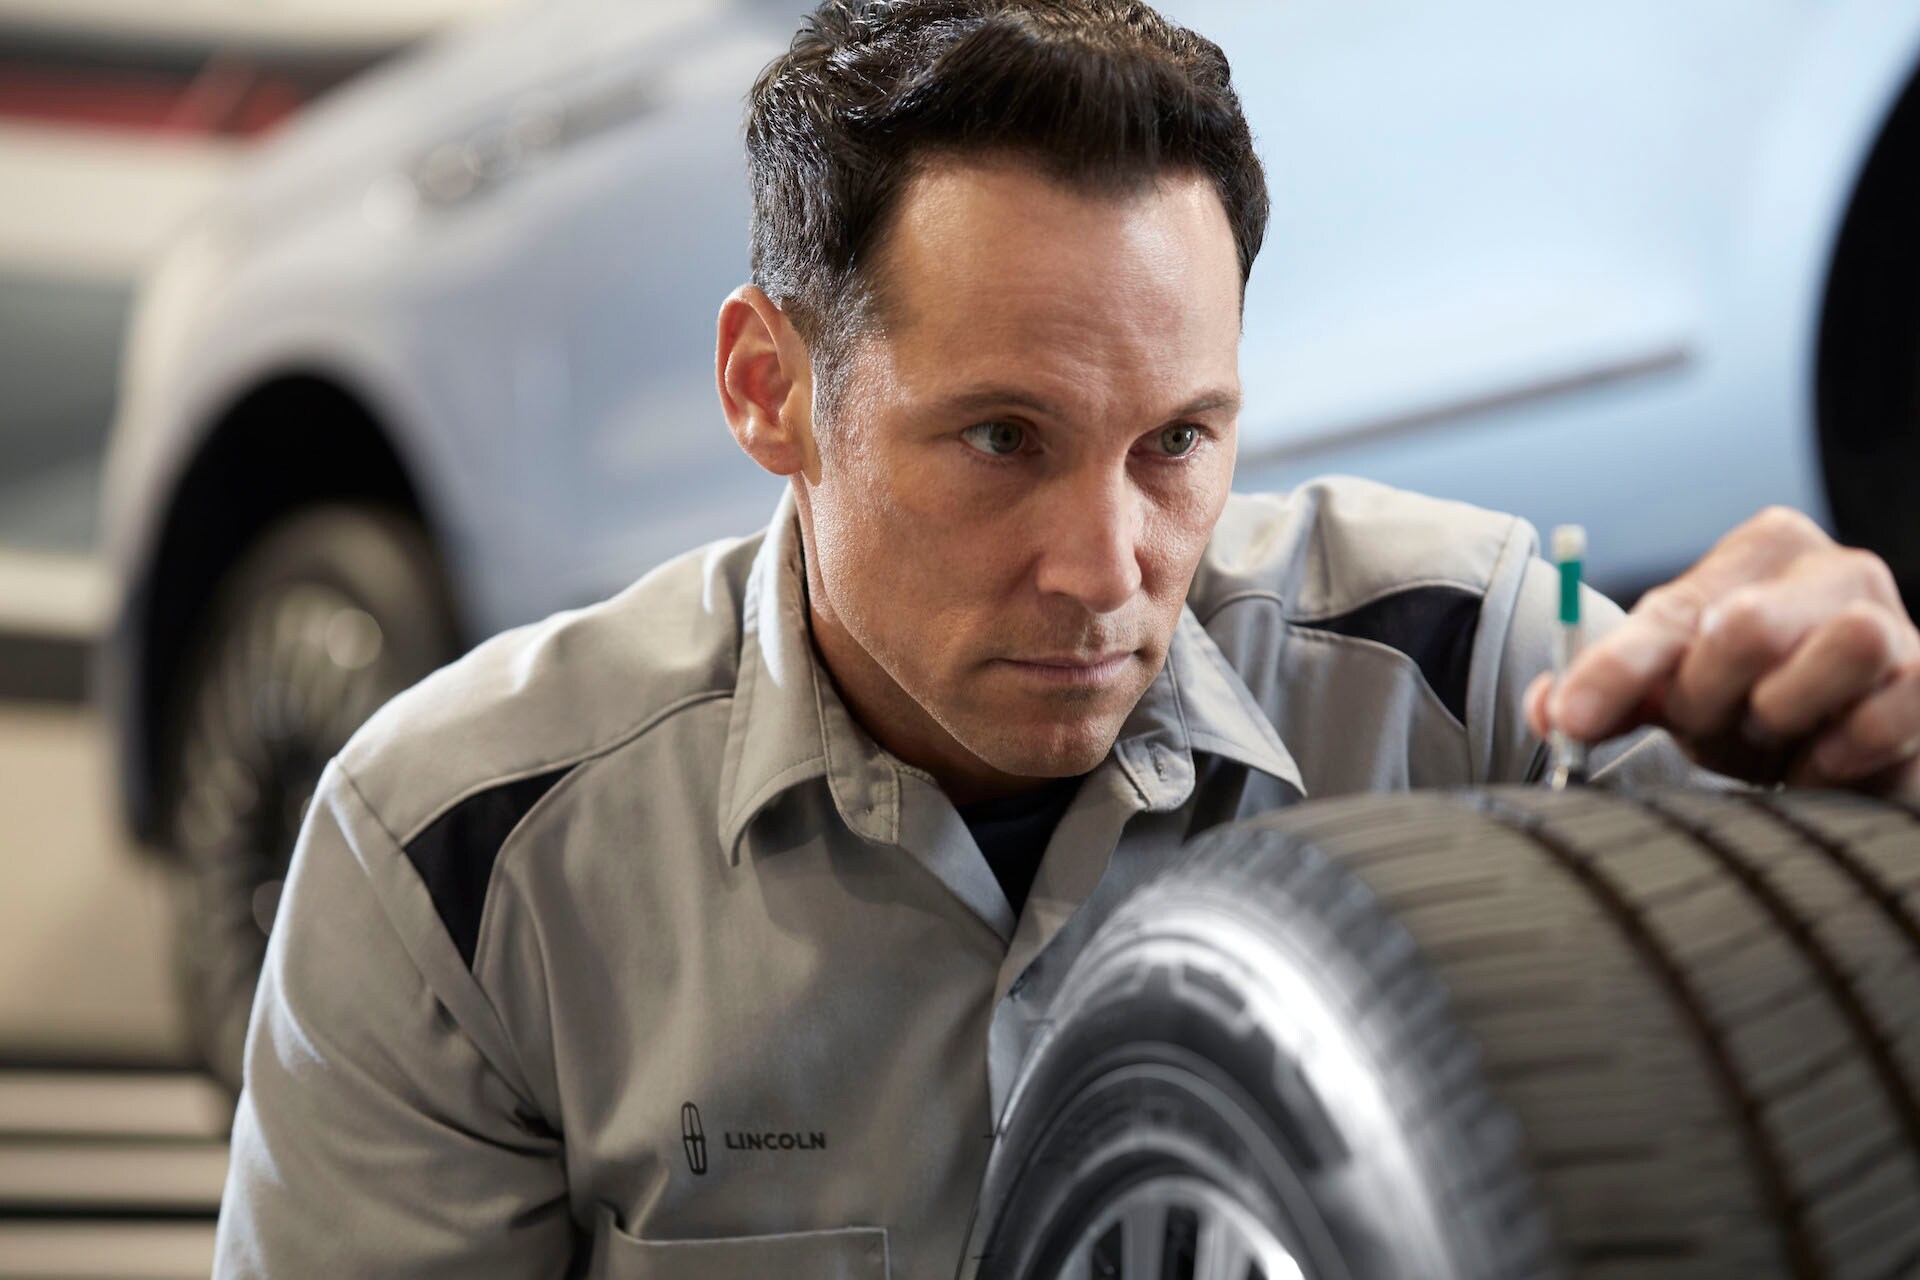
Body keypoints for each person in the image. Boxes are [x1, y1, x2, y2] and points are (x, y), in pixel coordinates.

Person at [212, 1, 1920, 1275]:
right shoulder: (449, 861)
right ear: (769, 390)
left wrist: (1878, 782)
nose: (1108, 570)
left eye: (1176, 442)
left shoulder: (1476, 664)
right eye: (1003, 441)